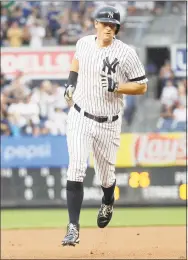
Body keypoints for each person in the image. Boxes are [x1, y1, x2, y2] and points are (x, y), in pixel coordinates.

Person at [62, 6, 148, 246]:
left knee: (106, 176)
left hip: (108, 123)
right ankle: (73, 228)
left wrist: (117, 87)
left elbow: (142, 86)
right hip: (80, 116)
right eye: (105, 23)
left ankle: (108, 199)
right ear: (96, 25)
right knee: (76, 168)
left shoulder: (126, 53)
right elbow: (76, 62)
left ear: (117, 28)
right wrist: (70, 83)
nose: (109, 27)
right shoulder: (84, 43)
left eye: (113, 25)